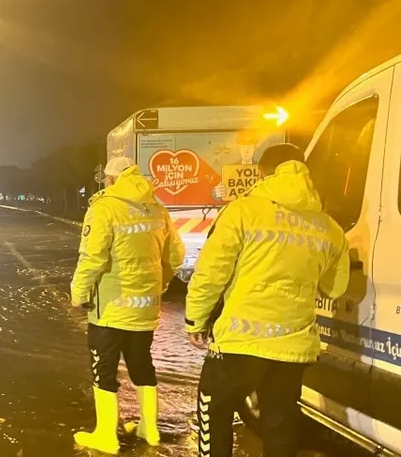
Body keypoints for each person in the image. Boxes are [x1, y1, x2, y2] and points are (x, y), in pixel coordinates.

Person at [185, 143, 349, 457]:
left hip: (239, 341)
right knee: (281, 424)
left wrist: (196, 319)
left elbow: (211, 272)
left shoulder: (242, 210)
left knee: (214, 410)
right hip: (293, 344)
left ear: (262, 173)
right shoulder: (329, 227)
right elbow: (335, 287)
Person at [71, 156, 185, 454]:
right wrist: (160, 284)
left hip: (110, 309)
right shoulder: (157, 207)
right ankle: (150, 428)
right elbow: (176, 256)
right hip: (145, 307)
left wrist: (78, 293)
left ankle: (106, 435)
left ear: (110, 179)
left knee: (104, 369)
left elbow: (93, 257)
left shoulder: (105, 207)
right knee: (142, 363)